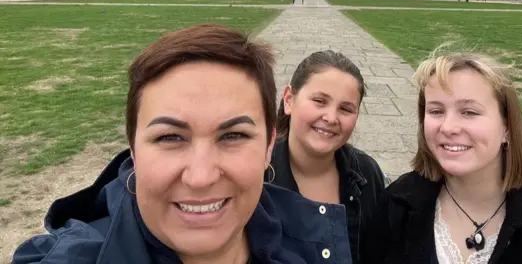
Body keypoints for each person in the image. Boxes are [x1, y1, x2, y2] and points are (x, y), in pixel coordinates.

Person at [13, 24, 353, 264]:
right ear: (133, 150)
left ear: (268, 148)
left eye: (233, 136)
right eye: (170, 137)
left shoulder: (318, 244)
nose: (200, 176)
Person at [360, 44, 522, 264]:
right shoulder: (396, 206)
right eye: (436, 111)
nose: (448, 128)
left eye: (469, 112)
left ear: (507, 127)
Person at [265, 50, 387, 264]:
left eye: (346, 109)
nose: (331, 118)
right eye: (320, 101)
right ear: (289, 100)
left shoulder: (367, 174)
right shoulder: (258, 173)